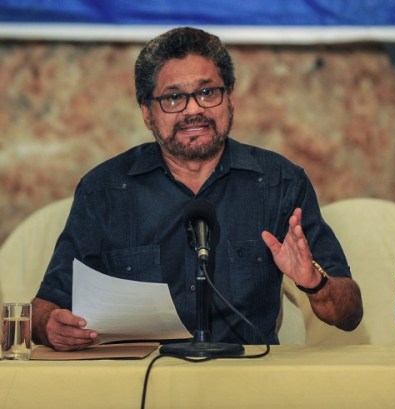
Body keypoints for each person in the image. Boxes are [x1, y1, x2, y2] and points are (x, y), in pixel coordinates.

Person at [32, 27, 363, 351]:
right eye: (174, 97)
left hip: (248, 381)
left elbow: (349, 313)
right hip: (139, 383)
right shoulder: (104, 190)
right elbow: (44, 308)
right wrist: (51, 326)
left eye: (207, 93)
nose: (194, 110)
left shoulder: (279, 183)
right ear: (147, 113)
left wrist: (314, 281)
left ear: (230, 98)